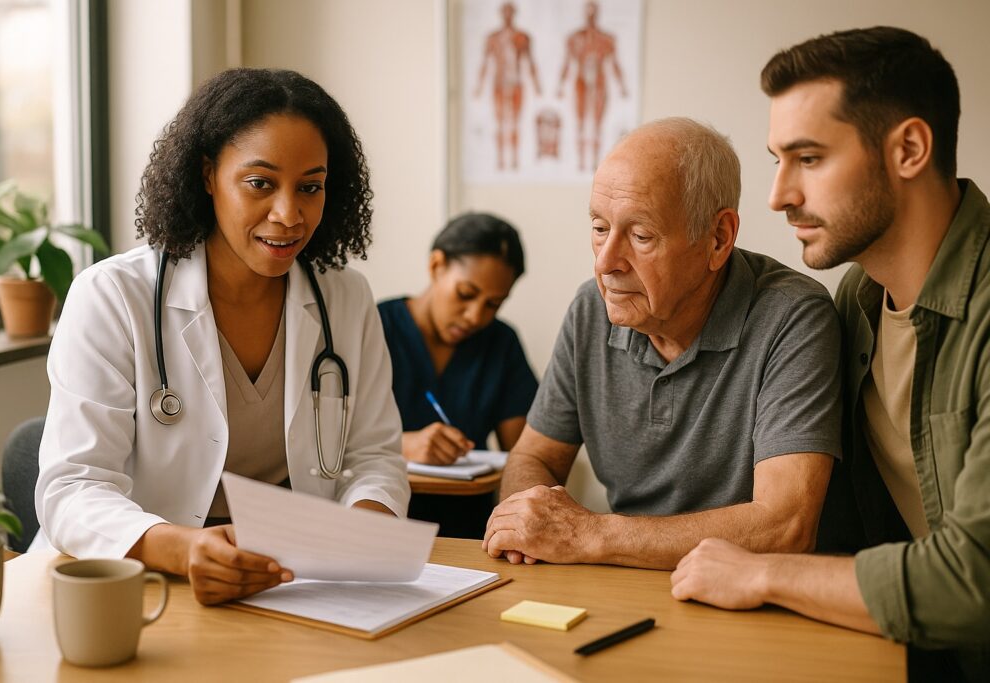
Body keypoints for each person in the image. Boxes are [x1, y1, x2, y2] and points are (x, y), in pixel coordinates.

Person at [670, 28, 989, 681]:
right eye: (776, 160)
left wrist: (761, 570)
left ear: (908, 149)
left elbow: (972, 580)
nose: (777, 194)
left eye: (808, 158)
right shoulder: (857, 300)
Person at [33, 68, 410, 605]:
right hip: (140, 580)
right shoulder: (113, 296)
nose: (289, 214)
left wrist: (363, 530)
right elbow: (71, 487)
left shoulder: (345, 298)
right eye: (261, 183)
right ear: (208, 174)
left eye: (310, 187)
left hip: (293, 581)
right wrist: (181, 549)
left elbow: (374, 457)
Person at [483, 117, 842, 568]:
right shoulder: (591, 309)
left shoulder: (792, 316)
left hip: (753, 598)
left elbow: (785, 525)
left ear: (717, 238)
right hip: (628, 582)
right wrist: (525, 524)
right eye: (599, 228)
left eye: (641, 235)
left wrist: (593, 534)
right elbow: (534, 454)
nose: (607, 263)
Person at [378, 213, 538, 538]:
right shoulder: (375, 328)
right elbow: (326, 441)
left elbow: (528, 453)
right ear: (436, 265)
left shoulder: (500, 343)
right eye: (466, 294)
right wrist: (403, 444)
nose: (475, 316)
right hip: (385, 522)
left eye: (493, 304)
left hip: (471, 531)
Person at [557, 1, 627, 171]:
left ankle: (595, 162)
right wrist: (560, 84)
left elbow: (614, 64)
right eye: (588, 12)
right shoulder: (574, 39)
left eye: (593, 11)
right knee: (580, 123)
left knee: (597, 125)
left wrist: (622, 85)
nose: (590, 15)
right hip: (581, 83)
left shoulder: (606, 39)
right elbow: (567, 63)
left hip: (599, 84)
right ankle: (581, 162)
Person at [474, 2, 542, 171]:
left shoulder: (522, 37)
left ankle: (514, 159)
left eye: (510, 12)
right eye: (505, 12)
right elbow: (485, 63)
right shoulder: (493, 38)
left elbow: (530, 62)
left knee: (515, 123)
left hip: (516, 84)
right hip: (499, 83)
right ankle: (501, 160)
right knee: (500, 122)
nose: (507, 16)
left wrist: (536, 85)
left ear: (514, 14)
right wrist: (479, 86)